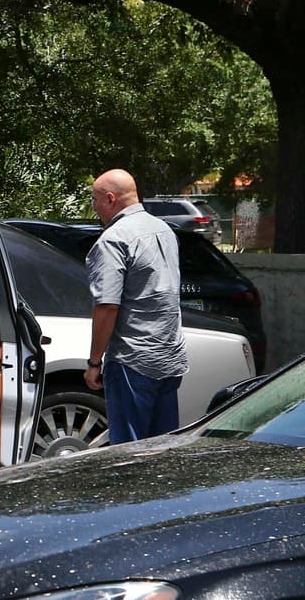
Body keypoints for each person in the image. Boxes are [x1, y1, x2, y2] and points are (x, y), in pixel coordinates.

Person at [84, 168, 188, 443]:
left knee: (128, 451)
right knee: (159, 449)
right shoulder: (164, 230)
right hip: (169, 357)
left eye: (95, 200)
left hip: (132, 361)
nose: (94, 207)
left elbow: (107, 307)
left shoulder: (113, 240)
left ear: (110, 199)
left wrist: (94, 362)